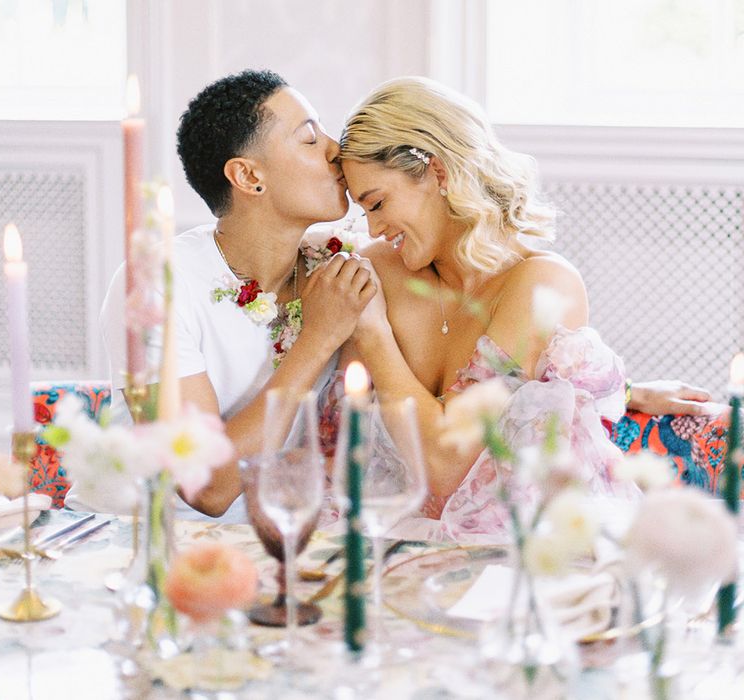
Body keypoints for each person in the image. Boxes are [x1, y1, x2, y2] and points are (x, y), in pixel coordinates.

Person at [335, 76, 722, 541]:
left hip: (514, 555)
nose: (374, 228)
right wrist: (623, 389)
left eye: (377, 203)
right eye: (364, 211)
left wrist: (373, 335)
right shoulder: (381, 266)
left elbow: (444, 467)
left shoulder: (541, 283)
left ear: (438, 173)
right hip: (381, 540)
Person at [65, 69, 376, 521]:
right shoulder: (157, 283)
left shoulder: (336, 269)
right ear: (249, 176)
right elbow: (207, 488)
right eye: (310, 138)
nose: (336, 150)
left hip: (265, 548)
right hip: (130, 545)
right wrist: (318, 338)